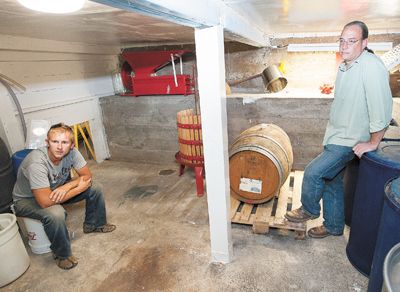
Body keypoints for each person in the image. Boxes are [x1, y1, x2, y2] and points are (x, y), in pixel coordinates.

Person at [285, 20, 393, 238]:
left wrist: (373, 142)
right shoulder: (345, 65)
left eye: (351, 41)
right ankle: (334, 226)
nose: (344, 46)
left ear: (364, 43)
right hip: (336, 135)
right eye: (342, 41)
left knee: (314, 173)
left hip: (349, 140)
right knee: (332, 182)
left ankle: (309, 209)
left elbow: (381, 107)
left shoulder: (371, 66)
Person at [13, 123, 116, 269]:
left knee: (95, 187)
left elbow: (87, 176)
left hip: (56, 189)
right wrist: (76, 188)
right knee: (56, 213)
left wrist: (67, 186)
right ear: (47, 143)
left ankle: (94, 224)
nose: (60, 147)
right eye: (55, 142)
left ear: (72, 145)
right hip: (27, 200)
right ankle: (62, 255)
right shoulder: (36, 162)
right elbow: (45, 201)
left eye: (64, 142)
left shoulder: (73, 153)